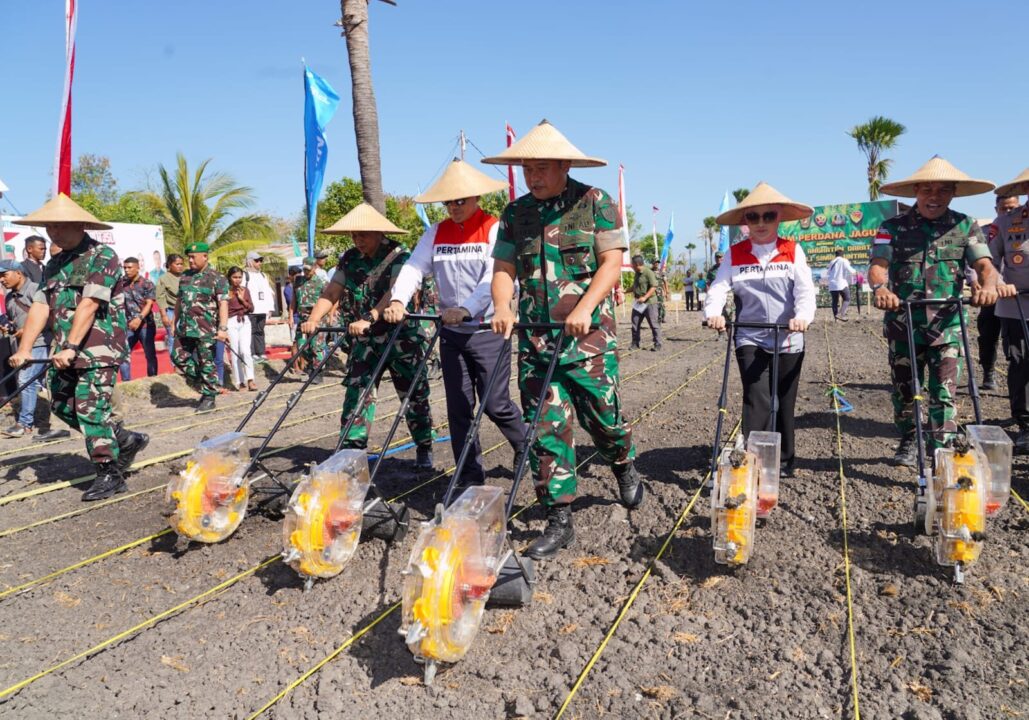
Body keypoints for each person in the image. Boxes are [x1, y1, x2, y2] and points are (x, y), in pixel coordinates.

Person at [483, 119, 642, 559]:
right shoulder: (515, 214)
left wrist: (586, 307)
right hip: (537, 341)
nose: (533, 177)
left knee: (604, 419)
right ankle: (559, 518)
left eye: (542, 168)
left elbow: (611, 263)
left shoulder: (595, 203)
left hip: (588, 340)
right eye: (527, 169)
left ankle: (624, 463)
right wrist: (502, 306)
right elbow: (503, 270)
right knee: (545, 430)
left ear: (565, 165)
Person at [383, 158, 528, 494]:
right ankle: (469, 474)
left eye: (461, 200)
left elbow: (495, 276)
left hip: (487, 330)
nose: (454, 206)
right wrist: (397, 300)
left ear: (476, 198)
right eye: (449, 201)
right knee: (459, 408)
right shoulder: (435, 233)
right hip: (451, 334)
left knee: (495, 403)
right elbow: (413, 268)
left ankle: (523, 444)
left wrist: (467, 308)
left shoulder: (493, 229)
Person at [869, 156, 1007, 466]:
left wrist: (987, 286)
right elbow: (878, 266)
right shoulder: (892, 227)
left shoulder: (964, 225)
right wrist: (882, 289)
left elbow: (984, 265)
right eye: (927, 189)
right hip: (903, 324)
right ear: (916, 191)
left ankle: (941, 451)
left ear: (953, 192)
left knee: (944, 393)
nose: (934, 196)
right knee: (905, 391)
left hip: (947, 326)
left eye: (943, 190)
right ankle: (908, 437)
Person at [9, 194, 148, 501]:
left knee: (88, 409)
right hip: (64, 351)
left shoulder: (103, 256)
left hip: (99, 349)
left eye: (59, 226)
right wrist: (25, 348)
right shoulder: (55, 264)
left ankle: (110, 473)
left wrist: (72, 345)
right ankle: (125, 440)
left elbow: (90, 303)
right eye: (49, 227)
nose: (52, 233)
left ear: (81, 225)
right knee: (61, 406)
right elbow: (41, 306)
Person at [300, 203, 435, 468]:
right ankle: (351, 452)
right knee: (357, 392)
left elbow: (396, 291)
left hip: (400, 338)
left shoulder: (399, 255)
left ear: (378, 232)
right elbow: (332, 291)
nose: (357, 240)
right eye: (353, 235)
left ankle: (424, 446)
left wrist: (371, 316)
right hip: (364, 340)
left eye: (362, 234)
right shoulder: (350, 258)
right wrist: (314, 318)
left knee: (413, 395)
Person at [704, 183, 815, 477]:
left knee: (784, 399)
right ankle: (753, 459)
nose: (761, 223)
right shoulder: (735, 254)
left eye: (768, 216)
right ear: (746, 222)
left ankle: (785, 458)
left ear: (778, 218)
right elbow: (718, 288)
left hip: (789, 335)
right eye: (754, 217)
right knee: (757, 397)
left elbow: (805, 291)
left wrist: (803, 316)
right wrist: (713, 313)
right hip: (749, 335)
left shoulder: (793, 251)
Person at [0, 260, 67, 440]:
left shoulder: (36, 290)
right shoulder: (9, 297)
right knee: (39, 383)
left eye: (4, 274)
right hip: (24, 345)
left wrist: (26, 330)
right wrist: (11, 327)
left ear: (18, 273)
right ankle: (48, 423)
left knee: (26, 379)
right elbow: (16, 320)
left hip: (41, 342)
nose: (1, 280)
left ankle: (24, 424)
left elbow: (49, 316)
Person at [986, 169, 1029, 451]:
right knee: (1021, 363)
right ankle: (1026, 423)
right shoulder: (1005, 223)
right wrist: (1000, 283)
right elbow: (987, 262)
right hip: (1017, 307)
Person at [173, 242, 229, 412]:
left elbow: (223, 304)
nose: (190, 261)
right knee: (178, 357)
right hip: (185, 328)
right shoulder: (184, 277)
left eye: (193, 257)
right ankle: (205, 381)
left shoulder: (217, 278)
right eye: (188, 257)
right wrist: (175, 323)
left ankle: (209, 396)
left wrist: (223, 328)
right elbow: (179, 301)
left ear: (205, 256)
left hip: (206, 329)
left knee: (207, 362)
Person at [978, 193, 1021, 391]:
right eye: (1004, 208)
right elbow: (975, 260)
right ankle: (988, 372)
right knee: (988, 333)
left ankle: (1017, 382)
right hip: (993, 292)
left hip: (1017, 295)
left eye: (1012, 207)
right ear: (996, 209)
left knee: (1013, 341)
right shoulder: (984, 232)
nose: (1008, 211)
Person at [118, 257, 159, 380]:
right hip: (128, 326)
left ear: (137, 268)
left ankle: (153, 381)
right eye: (125, 267)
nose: (126, 270)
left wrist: (139, 318)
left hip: (146, 325)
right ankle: (127, 383)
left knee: (150, 354)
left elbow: (149, 303)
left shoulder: (147, 284)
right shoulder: (120, 283)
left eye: (130, 267)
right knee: (123, 355)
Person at [295, 257, 327, 383]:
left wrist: (330, 315)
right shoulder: (298, 281)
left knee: (316, 346)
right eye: (304, 269)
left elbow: (331, 300)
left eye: (308, 269)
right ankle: (311, 365)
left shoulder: (322, 283)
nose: (306, 272)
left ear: (315, 268)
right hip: (302, 319)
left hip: (317, 319)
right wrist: (291, 314)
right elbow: (294, 298)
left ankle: (318, 371)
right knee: (301, 345)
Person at [225, 266, 257, 391]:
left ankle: (250, 379)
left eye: (239, 277)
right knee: (235, 352)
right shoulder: (226, 292)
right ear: (229, 278)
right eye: (235, 277)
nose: (237, 280)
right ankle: (240, 381)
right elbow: (223, 310)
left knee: (246, 351)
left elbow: (251, 308)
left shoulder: (245, 290)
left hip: (245, 321)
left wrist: (242, 300)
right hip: (231, 322)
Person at [243, 251, 274, 362]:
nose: (259, 263)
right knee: (250, 331)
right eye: (257, 260)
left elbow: (268, 292)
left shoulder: (263, 275)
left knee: (260, 331)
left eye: (261, 260)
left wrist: (270, 308)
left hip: (262, 309)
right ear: (250, 261)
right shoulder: (244, 275)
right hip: (251, 310)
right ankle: (252, 353)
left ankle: (260, 352)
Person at [630, 254, 662, 350]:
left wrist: (645, 297)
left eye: (632, 264)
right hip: (638, 303)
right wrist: (625, 291)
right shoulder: (637, 273)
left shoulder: (649, 273)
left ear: (638, 264)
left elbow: (653, 286)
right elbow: (634, 286)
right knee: (635, 323)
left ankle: (657, 344)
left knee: (653, 324)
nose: (631, 266)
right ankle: (635, 343)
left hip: (650, 303)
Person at [156, 254, 184, 360]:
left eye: (181, 264)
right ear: (169, 265)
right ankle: (175, 365)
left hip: (186, 311)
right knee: (172, 337)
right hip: (171, 311)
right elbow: (160, 297)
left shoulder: (186, 276)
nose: (180, 266)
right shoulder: (163, 279)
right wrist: (164, 315)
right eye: (177, 264)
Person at [826, 249, 856, 322]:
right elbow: (851, 271)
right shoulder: (844, 260)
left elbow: (828, 272)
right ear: (843, 255)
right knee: (847, 298)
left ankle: (836, 319)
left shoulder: (832, 262)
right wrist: (856, 272)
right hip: (841, 283)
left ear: (835, 255)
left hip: (832, 284)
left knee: (834, 301)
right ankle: (841, 314)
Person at [651, 259, 668, 323]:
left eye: (658, 263)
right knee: (653, 305)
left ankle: (662, 317)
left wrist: (666, 292)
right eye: (655, 262)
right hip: (651, 291)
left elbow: (665, 281)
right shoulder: (650, 272)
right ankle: (656, 317)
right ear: (652, 263)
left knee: (661, 304)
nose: (657, 264)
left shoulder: (661, 272)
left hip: (659, 291)